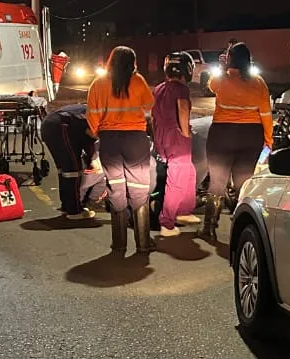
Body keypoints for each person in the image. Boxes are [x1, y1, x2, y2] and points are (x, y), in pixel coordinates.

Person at [86, 46, 156, 254]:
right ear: (133, 63)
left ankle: (119, 245)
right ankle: (143, 243)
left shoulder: (98, 84)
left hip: (110, 141)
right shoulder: (138, 81)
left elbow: (92, 116)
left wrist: (99, 134)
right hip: (136, 140)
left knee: (116, 188)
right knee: (139, 188)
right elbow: (149, 104)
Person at [203, 42, 272, 239]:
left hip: (222, 135)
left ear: (230, 59)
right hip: (251, 136)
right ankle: (242, 225)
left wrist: (225, 68)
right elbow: (266, 113)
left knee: (217, 181)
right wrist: (268, 140)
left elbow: (210, 85)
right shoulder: (258, 83)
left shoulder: (221, 80)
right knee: (244, 181)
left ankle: (209, 228)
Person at [152, 55, 200, 236]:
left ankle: (184, 210)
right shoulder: (181, 89)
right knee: (177, 180)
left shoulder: (159, 88)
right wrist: (186, 133)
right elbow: (182, 109)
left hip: (162, 138)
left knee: (189, 172)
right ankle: (167, 223)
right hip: (177, 139)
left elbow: (153, 115)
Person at [39, 104, 100, 220]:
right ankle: (74, 211)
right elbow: (91, 137)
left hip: (50, 125)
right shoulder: (95, 116)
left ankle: (67, 206)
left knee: (64, 170)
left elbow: (88, 140)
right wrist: (93, 158)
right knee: (73, 170)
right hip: (60, 127)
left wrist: (91, 158)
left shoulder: (88, 110)